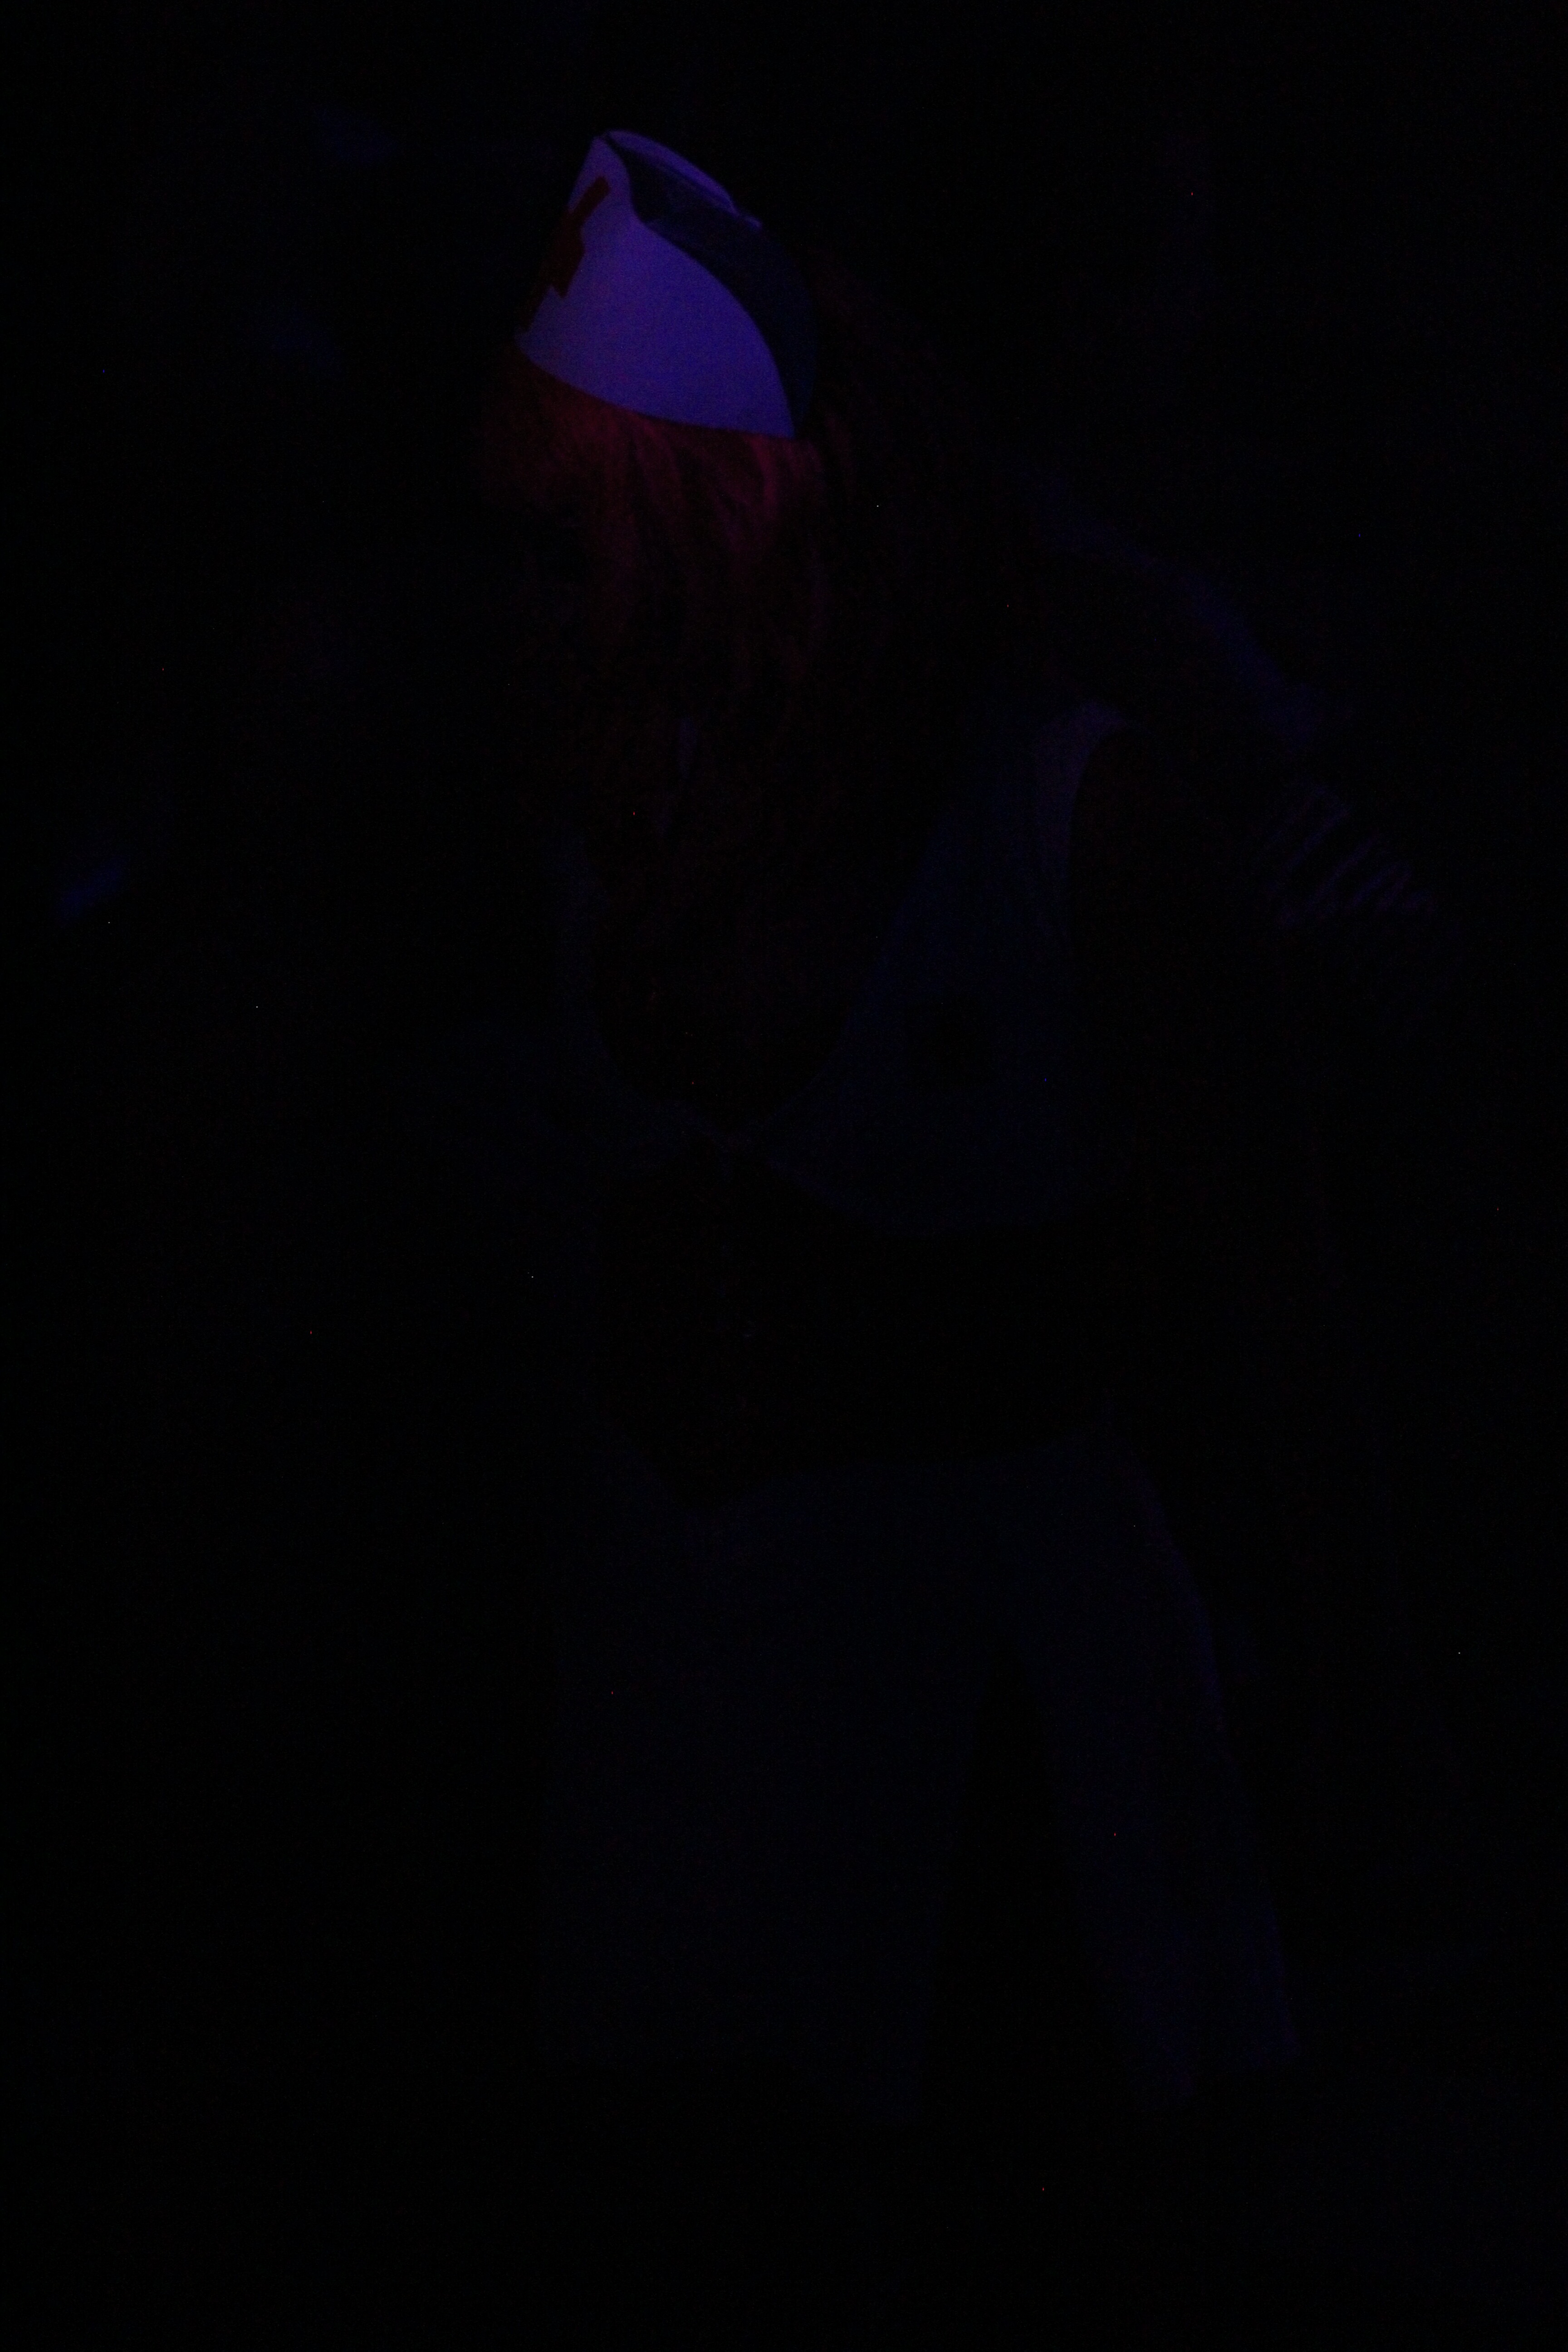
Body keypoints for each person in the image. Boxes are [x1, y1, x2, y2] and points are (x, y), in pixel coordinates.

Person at [471, 130, 1475, 2345]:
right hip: (678, 1747)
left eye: (567, 533)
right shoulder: (581, 819)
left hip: (998, 1774)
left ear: (712, 516)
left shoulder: (1069, 815)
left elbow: (1281, 1290)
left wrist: (1360, 1685)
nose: (521, 590)